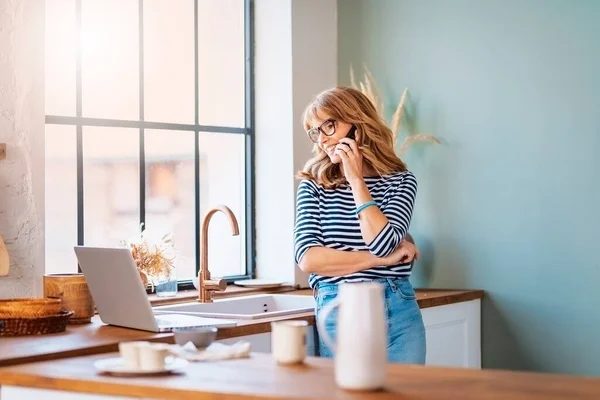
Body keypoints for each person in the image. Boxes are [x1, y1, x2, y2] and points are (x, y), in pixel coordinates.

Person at [293, 86, 426, 364]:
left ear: (358, 123)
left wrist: (356, 180)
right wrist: (384, 260)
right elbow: (308, 259)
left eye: (330, 125)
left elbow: (383, 242)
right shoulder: (313, 185)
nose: (323, 140)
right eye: (316, 131)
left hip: (398, 308)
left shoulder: (401, 181)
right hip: (340, 310)